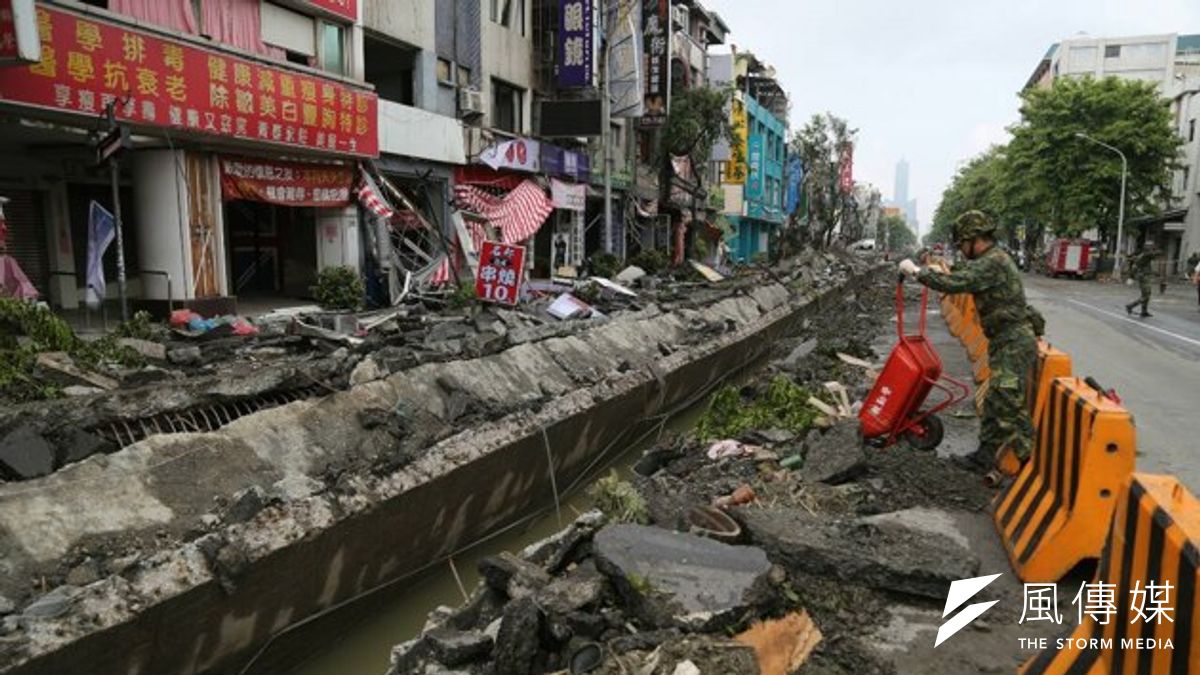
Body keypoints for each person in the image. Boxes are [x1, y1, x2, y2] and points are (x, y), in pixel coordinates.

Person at [899, 210, 1037, 473]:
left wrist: (917, 272)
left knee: (1009, 401)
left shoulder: (993, 262)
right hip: (1003, 340)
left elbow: (958, 282)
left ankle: (1031, 465)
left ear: (975, 239)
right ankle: (984, 458)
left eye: (962, 244)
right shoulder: (989, 260)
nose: (961, 250)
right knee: (995, 402)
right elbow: (963, 272)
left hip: (1013, 342)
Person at [1124, 243, 1158, 318]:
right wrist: (1131, 277)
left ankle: (1144, 311)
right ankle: (1130, 306)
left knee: (1146, 295)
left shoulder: (1144, 256)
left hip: (1144, 276)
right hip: (1144, 277)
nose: (1152, 250)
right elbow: (1153, 255)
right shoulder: (1145, 256)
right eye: (1151, 248)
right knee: (1146, 295)